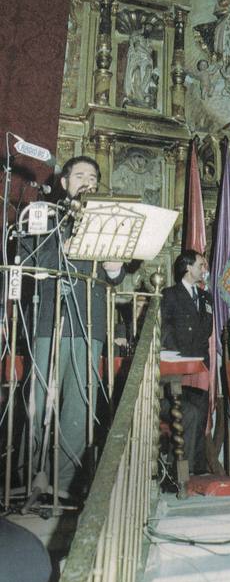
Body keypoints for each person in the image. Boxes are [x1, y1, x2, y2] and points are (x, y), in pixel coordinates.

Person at [31, 156, 125, 498]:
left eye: (93, 176)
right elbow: (30, 263)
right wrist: (63, 251)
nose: (87, 180)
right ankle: (33, 476)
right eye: (80, 175)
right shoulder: (45, 216)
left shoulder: (107, 221)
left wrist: (115, 269)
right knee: (38, 401)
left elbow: (115, 276)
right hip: (48, 321)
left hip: (89, 320)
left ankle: (67, 481)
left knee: (79, 406)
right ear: (64, 182)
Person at [160, 250, 213, 475]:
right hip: (177, 363)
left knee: (199, 413)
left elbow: (207, 328)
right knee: (182, 412)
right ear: (188, 268)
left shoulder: (205, 296)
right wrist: (177, 356)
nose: (205, 269)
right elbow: (164, 328)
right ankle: (177, 470)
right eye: (201, 265)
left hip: (200, 363)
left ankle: (192, 468)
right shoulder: (170, 294)